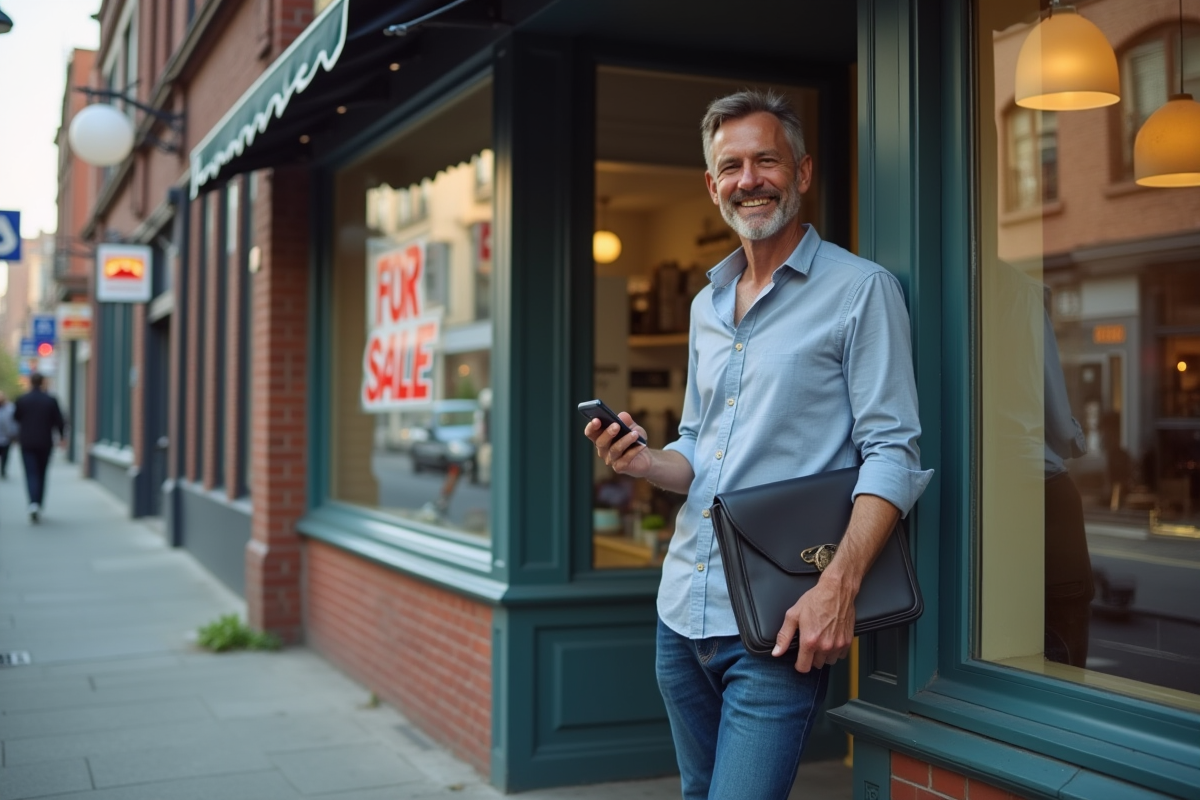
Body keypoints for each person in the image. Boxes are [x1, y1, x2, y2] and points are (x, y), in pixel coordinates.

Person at [584, 90, 931, 800]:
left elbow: (893, 453)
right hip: (681, 613)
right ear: (712, 187)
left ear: (802, 173)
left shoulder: (862, 291)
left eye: (766, 160)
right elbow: (698, 448)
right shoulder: (704, 306)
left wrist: (838, 588)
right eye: (731, 166)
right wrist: (645, 461)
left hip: (780, 624)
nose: (750, 180)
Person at [13, 373, 67, 523]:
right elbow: (59, 420)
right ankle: (39, 503)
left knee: (30, 473)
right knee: (42, 473)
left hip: (27, 442)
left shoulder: (22, 399)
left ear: (30, 382)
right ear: (43, 382)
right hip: (45, 442)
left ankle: (33, 503)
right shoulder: (50, 400)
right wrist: (62, 437)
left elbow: (16, 417)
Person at [0, 390, 17, 478]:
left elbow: (13, 422)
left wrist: (13, 434)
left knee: (5, 456)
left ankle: (3, 470)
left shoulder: (10, 407)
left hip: (6, 437)